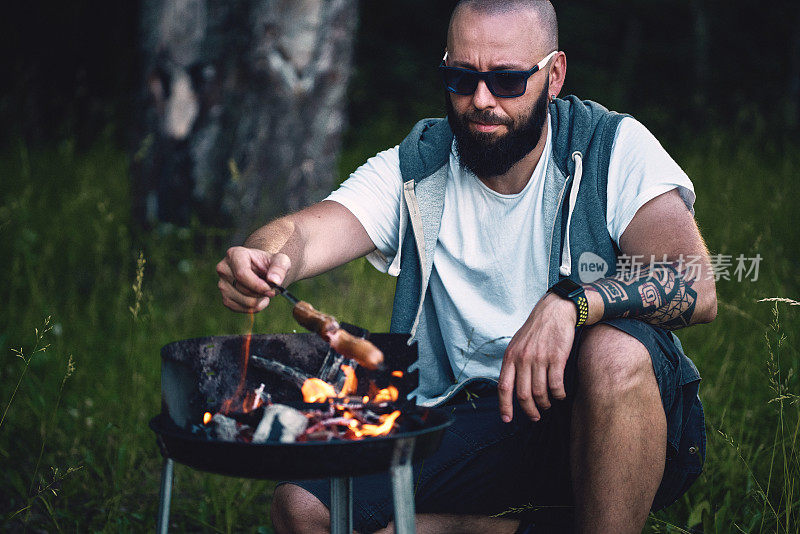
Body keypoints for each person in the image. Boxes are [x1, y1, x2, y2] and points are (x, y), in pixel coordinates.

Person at [216, 1, 716, 532]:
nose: (481, 100)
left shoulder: (612, 146)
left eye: (507, 80)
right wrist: (270, 256)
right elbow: (308, 232)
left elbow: (696, 280)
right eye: (461, 77)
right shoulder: (419, 165)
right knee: (302, 509)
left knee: (614, 351)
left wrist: (574, 304)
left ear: (554, 75)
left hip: (607, 410)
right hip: (479, 418)